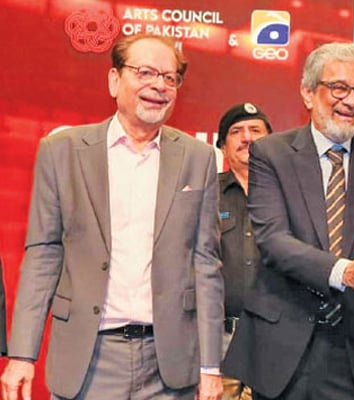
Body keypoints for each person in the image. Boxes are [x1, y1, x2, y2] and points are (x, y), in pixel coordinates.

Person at [0, 33, 224, 400]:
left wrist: (210, 367)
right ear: (114, 80)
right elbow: (43, 254)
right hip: (88, 360)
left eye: (170, 78)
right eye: (146, 72)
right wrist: (23, 355)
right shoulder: (62, 151)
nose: (159, 86)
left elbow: (206, 264)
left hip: (168, 363)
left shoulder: (197, 158)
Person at [222, 42, 354, 400]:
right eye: (339, 88)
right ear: (308, 93)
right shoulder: (271, 153)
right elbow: (274, 240)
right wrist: (343, 271)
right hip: (284, 348)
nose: (351, 101)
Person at [216, 102, 273, 400]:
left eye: (255, 130)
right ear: (223, 147)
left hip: (274, 342)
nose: (247, 137)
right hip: (219, 343)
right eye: (236, 132)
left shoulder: (290, 195)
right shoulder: (206, 195)